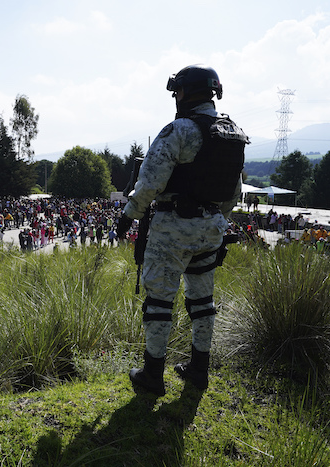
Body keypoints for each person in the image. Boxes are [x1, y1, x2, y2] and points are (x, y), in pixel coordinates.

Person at [117, 65, 247, 396]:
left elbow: (150, 182)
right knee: (202, 301)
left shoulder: (179, 131)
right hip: (211, 229)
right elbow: (235, 191)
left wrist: (129, 214)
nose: (176, 98)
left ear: (185, 93)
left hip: (172, 230)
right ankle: (199, 371)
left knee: (159, 302)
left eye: (177, 92)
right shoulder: (233, 133)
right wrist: (213, 217)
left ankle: (152, 375)